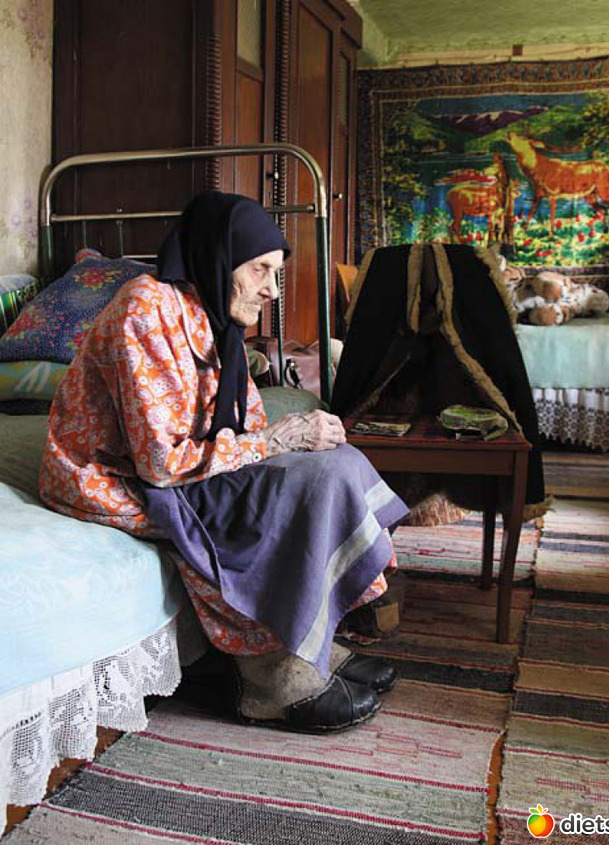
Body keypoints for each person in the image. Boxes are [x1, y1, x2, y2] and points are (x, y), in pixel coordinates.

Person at [39, 191, 409, 733]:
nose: (272, 290)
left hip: (181, 465)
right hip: (113, 478)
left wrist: (296, 439)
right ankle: (268, 675)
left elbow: (246, 428)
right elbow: (162, 465)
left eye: (276, 273)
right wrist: (277, 440)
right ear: (218, 258)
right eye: (260, 270)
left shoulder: (216, 317)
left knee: (336, 463)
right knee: (292, 491)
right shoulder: (145, 309)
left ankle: (307, 640)